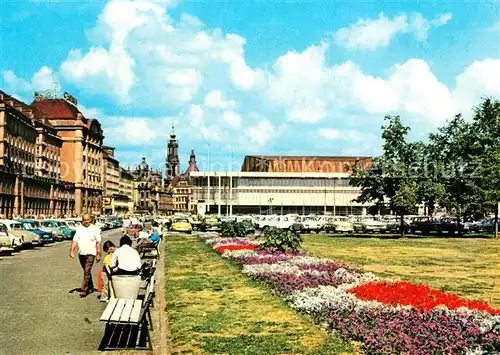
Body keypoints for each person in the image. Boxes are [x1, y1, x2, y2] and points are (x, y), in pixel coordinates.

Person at [70, 214, 102, 298]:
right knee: (86, 271)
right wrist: (72, 251)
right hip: (81, 253)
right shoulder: (79, 229)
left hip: (91, 253)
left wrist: (99, 254)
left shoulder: (95, 229)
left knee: (87, 271)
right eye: (84, 220)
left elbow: (98, 242)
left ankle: (84, 290)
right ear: (82, 220)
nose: (86, 222)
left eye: (87, 220)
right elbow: (75, 240)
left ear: (90, 220)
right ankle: (90, 287)